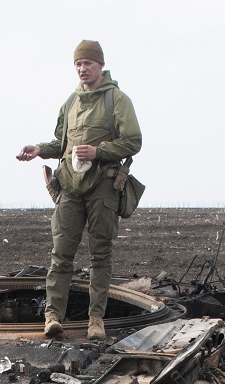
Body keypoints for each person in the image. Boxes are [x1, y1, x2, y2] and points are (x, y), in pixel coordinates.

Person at [17, 40, 142, 339]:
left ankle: (95, 319)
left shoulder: (117, 100)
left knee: (100, 254)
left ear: (100, 65)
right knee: (61, 254)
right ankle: (52, 317)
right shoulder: (70, 103)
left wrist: (98, 152)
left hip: (103, 188)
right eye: (78, 64)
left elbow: (133, 141)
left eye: (87, 63)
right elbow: (61, 145)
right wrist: (38, 149)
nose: (82, 69)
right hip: (70, 188)